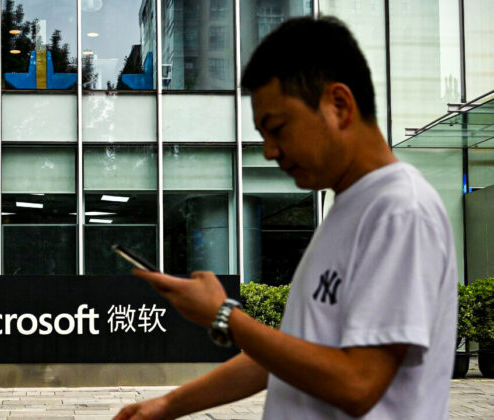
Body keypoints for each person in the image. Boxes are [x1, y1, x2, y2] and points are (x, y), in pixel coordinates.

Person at [114, 16, 457, 420]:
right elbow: (285, 353)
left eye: (277, 128)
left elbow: (359, 383)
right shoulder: (349, 206)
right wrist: (170, 403)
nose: (270, 151)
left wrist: (225, 316)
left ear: (340, 105)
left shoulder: (401, 211)